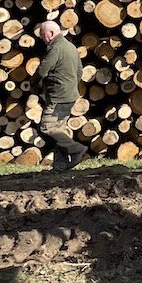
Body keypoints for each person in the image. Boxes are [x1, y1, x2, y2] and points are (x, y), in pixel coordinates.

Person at [32, 19, 88, 171]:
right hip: (69, 95)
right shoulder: (70, 46)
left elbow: (43, 70)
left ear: (50, 33)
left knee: (47, 127)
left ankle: (76, 149)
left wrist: (34, 84)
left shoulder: (55, 48)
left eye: (43, 35)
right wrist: (71, 86)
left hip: (58, 97)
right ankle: (60, 165)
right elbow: (79, 71)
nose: (43, 39)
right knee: (58, 129)